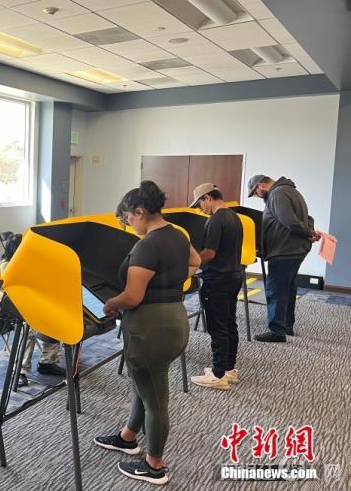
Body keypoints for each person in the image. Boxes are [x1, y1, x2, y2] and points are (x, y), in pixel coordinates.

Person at [94, 181, 200, 485]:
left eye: (128, 218)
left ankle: (154, 465)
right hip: (175, 319)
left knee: (156, 401)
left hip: (150, 329)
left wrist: (110, 304)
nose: (129, 224)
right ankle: (128, 437)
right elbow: (195, 261)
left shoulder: (148, 245)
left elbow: (132, 297)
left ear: (140, 211)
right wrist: (170, 282)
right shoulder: (177, 234)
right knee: (145, 386)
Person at [247, 175, 321, 342]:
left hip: (284, 250)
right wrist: (310, 233)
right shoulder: (291, 191)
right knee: (288, 287)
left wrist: (309, 233)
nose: (257, 196)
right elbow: (309, 218)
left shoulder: (277, 194)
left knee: (276, 290)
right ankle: (287, 325)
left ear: (261, 185)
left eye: (255, 193)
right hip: (294, 249)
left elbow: (290, 221)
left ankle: (277, 331)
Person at [189, 184, 244, 391]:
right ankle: (229, 369)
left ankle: (218, 375)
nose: (200, 208)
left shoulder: (216, 220)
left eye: (199, 203)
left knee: (217, 327)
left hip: (218, 279)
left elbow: (209, 253)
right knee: (229, 324)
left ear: (207, 198)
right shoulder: (234, 217)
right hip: (234, 275)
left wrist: (191, 264)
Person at [0, 232, 65, 388]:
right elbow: (16, 288)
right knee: (29, 329)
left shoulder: (24, 263)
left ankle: (47, 362)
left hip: (26, 305)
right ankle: (20, 371)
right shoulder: (6, 265)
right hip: (8, 310)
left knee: (53, 318)